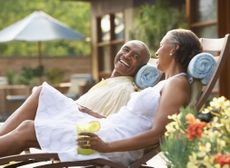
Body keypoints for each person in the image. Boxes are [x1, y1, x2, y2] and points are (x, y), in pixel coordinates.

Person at [0, 29, 202, 166]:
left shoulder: (177, 84)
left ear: (174, 48)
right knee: (33, 114)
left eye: (160, 46)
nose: (157, 52)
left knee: (27, 129)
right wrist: (98, 117)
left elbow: (157, 133)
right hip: (107, 131)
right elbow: (138, 122)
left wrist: (106, 146)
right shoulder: (167, 83)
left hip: (110, 145)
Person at [76, 40, 150, 117]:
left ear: (141, 68)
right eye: (126, 50)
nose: (127, 56)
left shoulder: (125, 90)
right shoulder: (112, 83)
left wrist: (88, 113)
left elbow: (116, 126)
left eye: (136, 57)